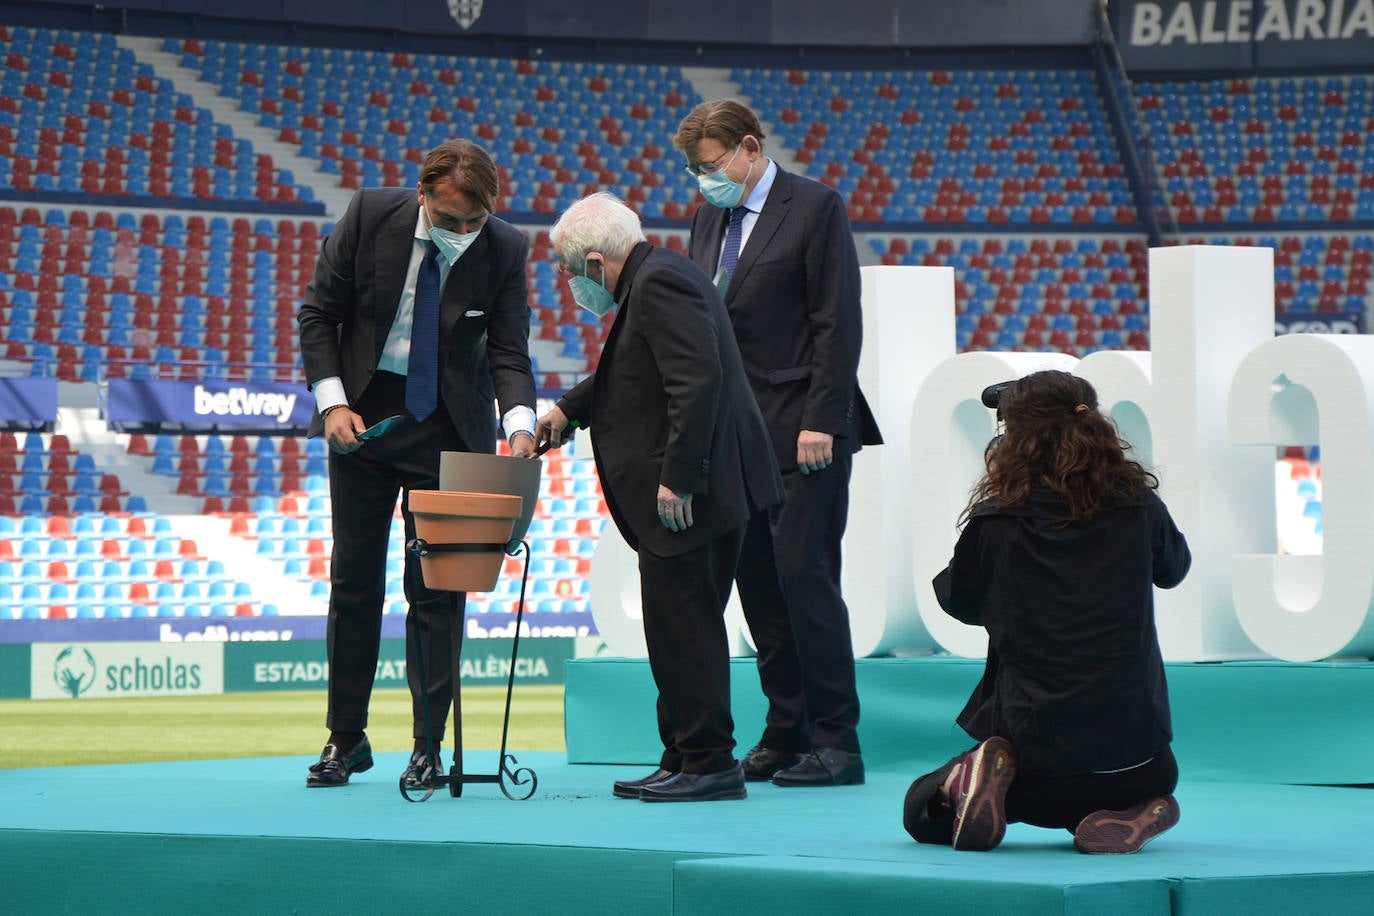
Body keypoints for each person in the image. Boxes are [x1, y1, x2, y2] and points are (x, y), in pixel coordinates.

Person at [297, 138, 538, 788]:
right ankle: (345, 740)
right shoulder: (371, 214)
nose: (464, 232)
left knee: (436, 592)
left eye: (476, 221)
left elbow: (509, 352)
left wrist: (518, 426)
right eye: (452, 218)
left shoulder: (507, 248)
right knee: (354, 584)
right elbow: (319, 314)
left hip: (450, 430)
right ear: (424, 193)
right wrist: (333, 405)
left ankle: (428, 747)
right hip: (365, 421)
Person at [535, 192, 784, 802]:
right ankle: (683, 753)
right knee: (673, 628)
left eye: (570, 273)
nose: (570, 286)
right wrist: (569, 411)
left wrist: (680, 476)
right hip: (703, 488)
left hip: (694, 494)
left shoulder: (660, 283)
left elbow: (695, 382)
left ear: (596, 262)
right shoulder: (657, 277)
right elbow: (632, 373)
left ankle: (708, 762)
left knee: (686, 628)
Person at [673, 100, 882, 787]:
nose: (702, 180)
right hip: (740, 435)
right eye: (694, 169)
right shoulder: (709, 218)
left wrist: (822, 418)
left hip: (806, 429)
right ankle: (787, 730)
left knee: (805, 578)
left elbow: (836, 322)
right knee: (758, 586)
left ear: (750, 149)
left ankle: (837, 740)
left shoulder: (816, 207)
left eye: (709, 166)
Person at [903, 370, 1191, 854]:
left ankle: (973, 776)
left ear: (1014, 442)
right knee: (1148, 780)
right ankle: (1141, 808)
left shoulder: (996, 519)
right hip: (1138, 762)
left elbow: (959, 602)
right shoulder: (1137, 505)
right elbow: (1173, 569)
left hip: (1035, 766)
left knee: (919, 810)